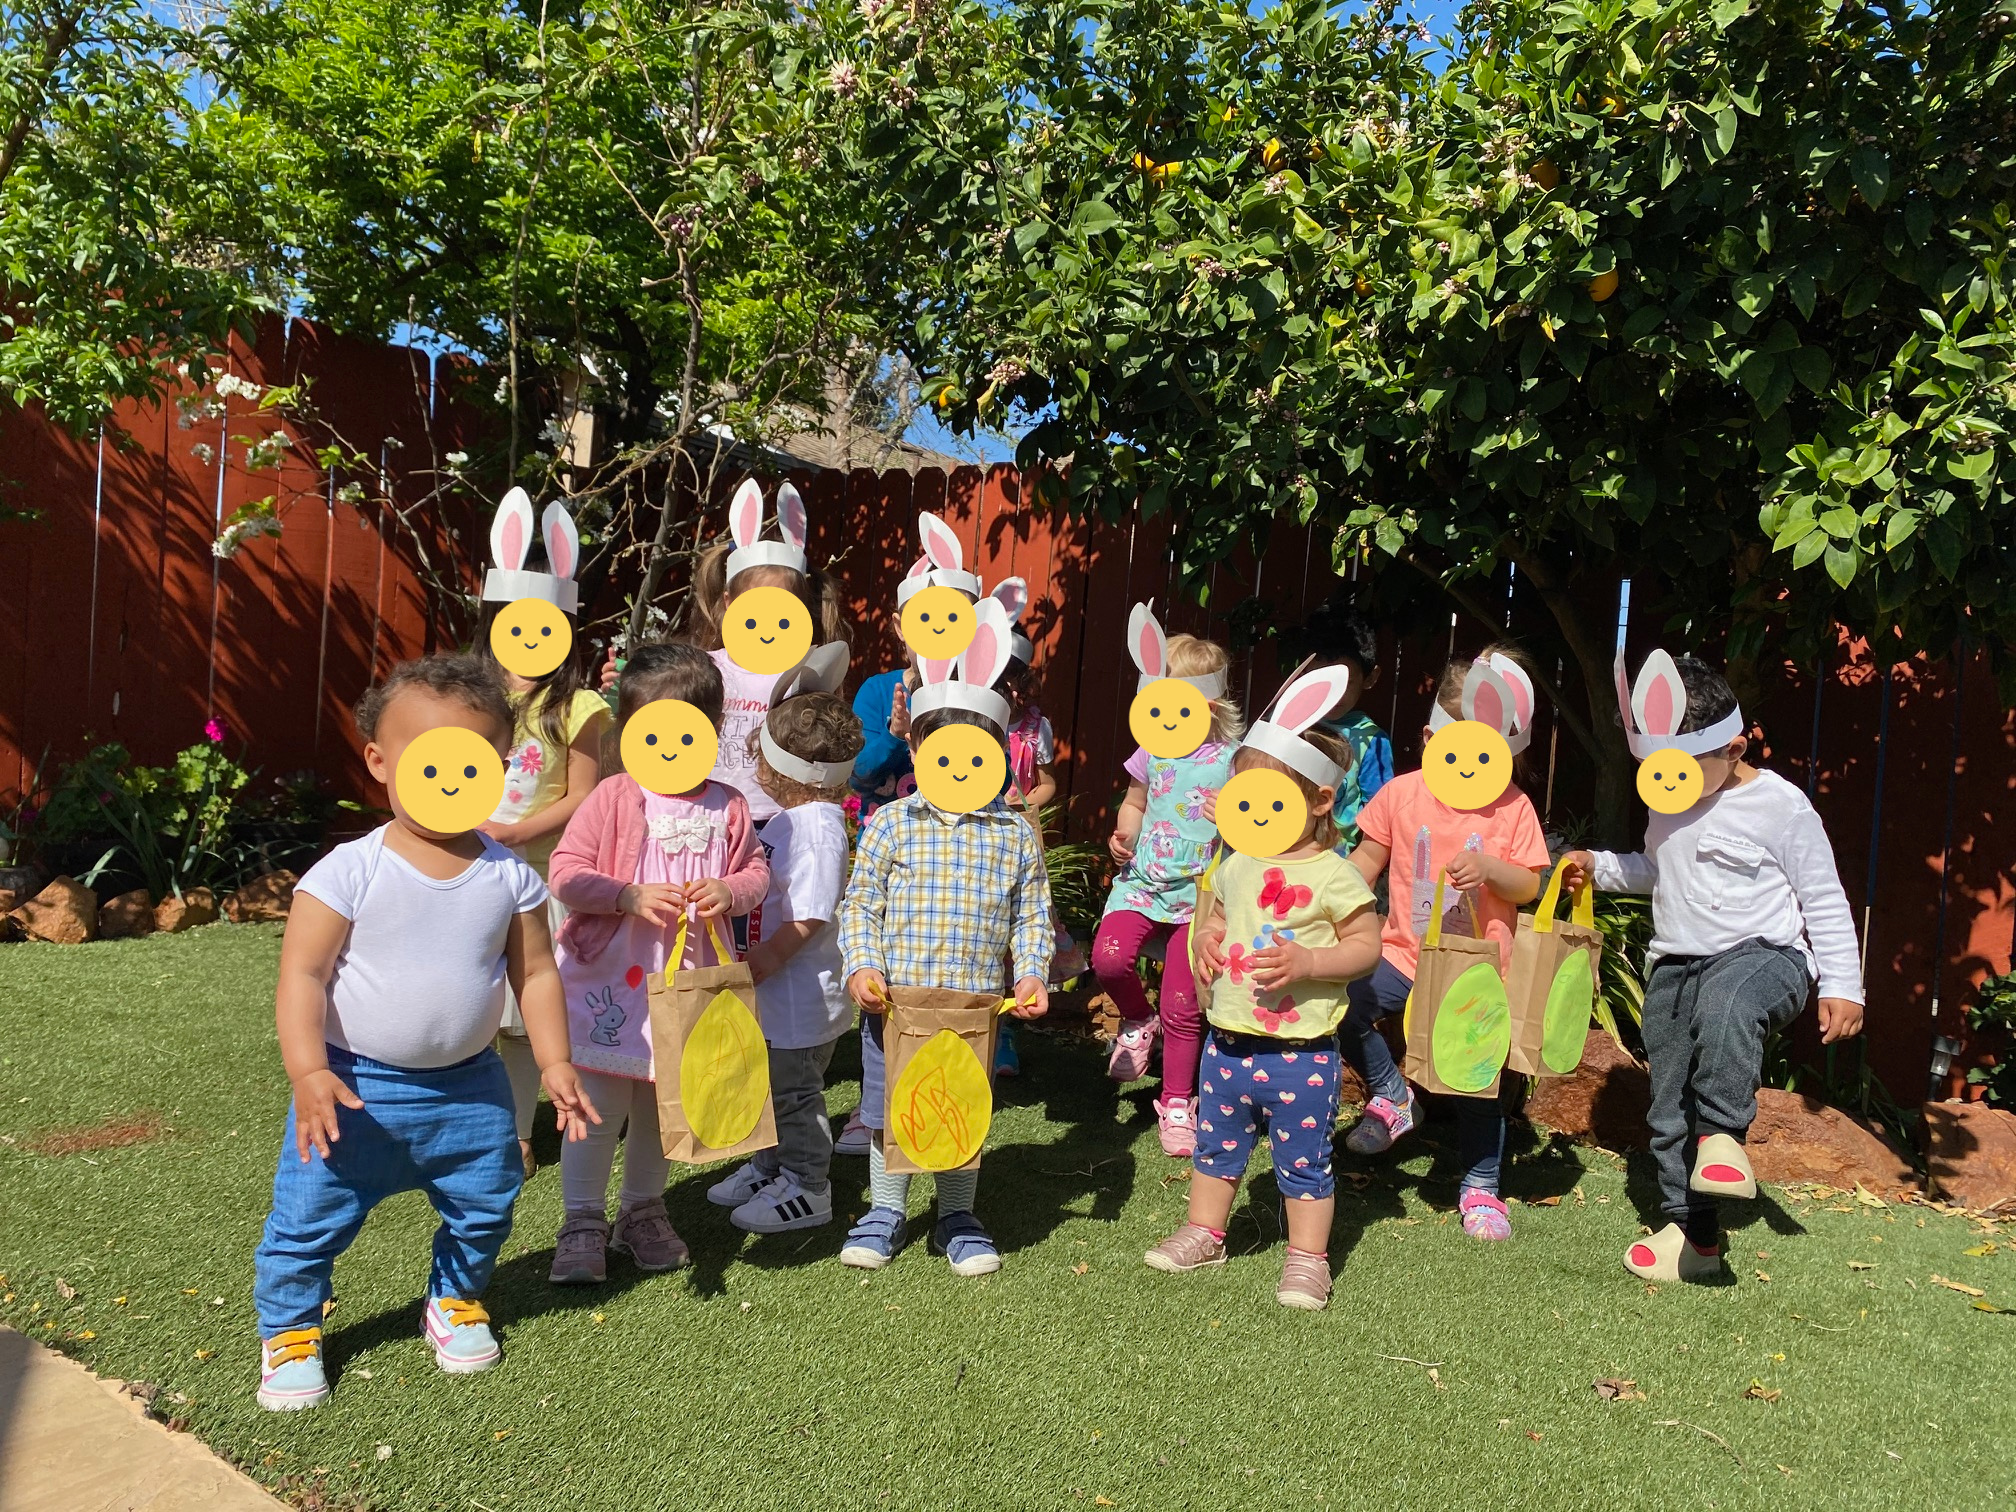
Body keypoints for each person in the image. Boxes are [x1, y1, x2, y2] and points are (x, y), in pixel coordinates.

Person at [253, 655, 599, 1412]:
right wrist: (309, 1074)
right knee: (310, 1215)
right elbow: (302, 979)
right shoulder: (347, 872)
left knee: (487, 1201)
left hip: (469, 1086)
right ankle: (289, 1328)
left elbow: (536, 975)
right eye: (428, 758)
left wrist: (554, 1061)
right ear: (379, 760)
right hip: (355, 1086)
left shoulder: (509, 876)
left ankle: (454, 1299)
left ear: (501, 767)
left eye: (471, 761)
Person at [1561, 652, 1864, 1282]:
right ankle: (1693, 1237)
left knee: (1727, 1003)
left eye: (1685, 767)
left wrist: (1842, 983)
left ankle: (1724, 1133)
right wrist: (1602, 866)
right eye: (1657, 768)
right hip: (1676, 966)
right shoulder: (1667, 801)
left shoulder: (1781, 806)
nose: (1669, 781)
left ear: (1736, 745)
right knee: (1668, 1105)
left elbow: (1825, 896)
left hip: (1765, 959)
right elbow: (1658, 868)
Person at [546, 644, 769, 1284]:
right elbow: (565, 873)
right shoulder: (614, 795)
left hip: (688, 984)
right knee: (597, 1104)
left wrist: (731, 892)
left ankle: (642, 1210)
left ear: (713, 728)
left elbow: (756, 873)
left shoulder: (727, 805)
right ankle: (582, 1220)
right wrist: (626, 896)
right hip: (608, 986)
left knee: (660, 1104)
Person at [1144, 719, 1381, 1311]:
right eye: (1241, 797)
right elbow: (1218, 917)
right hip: (1226, 1047)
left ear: (1320, 801)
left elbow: (1366, 947)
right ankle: (1206, 1232)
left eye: (1267, 800)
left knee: (1304, 1163)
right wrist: (1207, 939)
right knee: (1215, 1148)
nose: (1250, 812)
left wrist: (1309, 961)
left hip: (1301, 1055)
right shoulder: (1236, 863)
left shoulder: (1336, 874)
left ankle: (1307, 1259)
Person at [837, 637, 1054, 1277]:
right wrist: (861, 964)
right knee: (885, 1110)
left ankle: (956, 1216)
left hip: (973, 1007)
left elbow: (1032, 912)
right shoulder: (891, 823)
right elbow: (861, 902)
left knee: (962, 1107)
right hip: (896, 1006)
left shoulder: (1014, 830)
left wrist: (1034, 969)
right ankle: (886, 1209)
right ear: (916, 749)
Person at [1336, 648, 1549, 1241]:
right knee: (1342, 1004)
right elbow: (1367, 861)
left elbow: (1530, 882)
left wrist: (1490, 869)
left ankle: (1480, 1186)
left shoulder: (1513, 806)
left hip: (1478, 971)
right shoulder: (1402, 794)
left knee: (1478, 1083)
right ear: (1430, 736)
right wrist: (1326, 898)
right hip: (1402, 954)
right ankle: (1393, 1094)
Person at [705, 650, 865, 1232]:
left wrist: (764, 962)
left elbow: (811, 916)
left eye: (761, 760)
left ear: (782, 770)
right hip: (777, 991)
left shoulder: (820, 829)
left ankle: (807, 1185)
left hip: (801, 993)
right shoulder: (793, 818)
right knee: (770, 1084)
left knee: (796, 1092)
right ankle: (769, 1166)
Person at [473, 492, 609, 1179]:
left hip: (536, 880)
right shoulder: (468, 697)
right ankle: (473, 1129)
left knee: (525, 1020)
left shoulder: (580, 707)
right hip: (468, 875)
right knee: (473, 1010)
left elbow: (584, 796)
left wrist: (514, 830)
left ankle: (518, 1137)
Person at [1094, 631, 1242, 1155]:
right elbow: (1134, 802)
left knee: (1184, 1004)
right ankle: (1137, 1018)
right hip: (1141, 884)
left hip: (1198, 901)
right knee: (1109, 960)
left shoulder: (1233, 760)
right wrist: (1124, 833)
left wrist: (1232, 814)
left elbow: (1255, 829)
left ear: (1210, 704)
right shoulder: (1150, 751)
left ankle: (1177, 1101)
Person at [1288, 599, 1393, 851]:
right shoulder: (1289, 724)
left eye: (1345, 682)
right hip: (1280, 851)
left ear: (1370, 677)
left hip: (1336, 861)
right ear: (1303, 672)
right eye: (1322, 679)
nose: (1334, 694)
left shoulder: (1371, 741)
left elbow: (1378, 810)